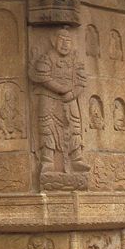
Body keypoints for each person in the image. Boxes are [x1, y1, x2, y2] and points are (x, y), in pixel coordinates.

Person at [29, 27, 88, 178]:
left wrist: (73, 94)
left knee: (75, 125)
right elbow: (43, 77)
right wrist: (61, 89)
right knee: (46, 126)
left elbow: (81, 81)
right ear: (53, 41)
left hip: (70, 98)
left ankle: (76, 158)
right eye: (61, 40)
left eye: (68, 41)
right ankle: (47, 160)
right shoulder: (47, 58)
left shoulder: (75, 60)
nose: (65, 44)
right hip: (49, 97)